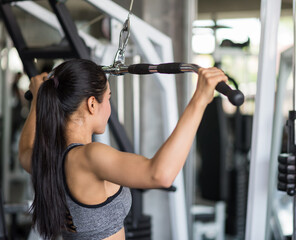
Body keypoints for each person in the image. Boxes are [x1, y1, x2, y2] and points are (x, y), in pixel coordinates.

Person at [18, 59, 227, 240]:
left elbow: (24, 150)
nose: (109, 105)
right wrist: (200, 99)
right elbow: (160, 175)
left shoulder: (47, 157)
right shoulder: (89, 156)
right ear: (92, 104)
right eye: (108, 98)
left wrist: (37, 99)